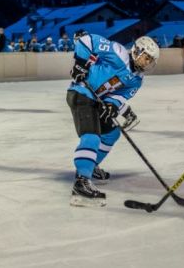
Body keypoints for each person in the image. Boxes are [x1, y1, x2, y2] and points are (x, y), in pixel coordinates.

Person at [66, 33, 159, 207]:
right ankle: (81, 183)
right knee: (92, 136)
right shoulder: (118, 53)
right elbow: (86, 41)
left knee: (112, 133)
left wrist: (111, 105)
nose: (147, 63)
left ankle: (91, 166)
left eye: (150, 60)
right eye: (146, 57)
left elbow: (121, 95)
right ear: (137, 51)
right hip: (81, 92)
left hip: (98, 100)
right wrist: (80, 64)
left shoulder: (137, 79)